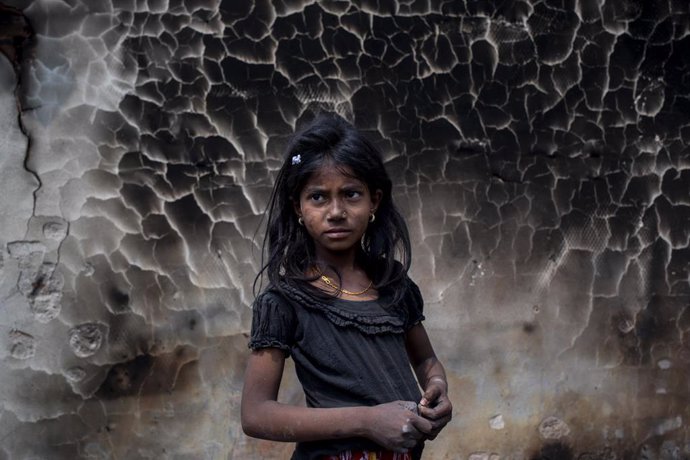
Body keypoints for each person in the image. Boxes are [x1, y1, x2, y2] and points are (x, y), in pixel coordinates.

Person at [241, 114, 452, 460]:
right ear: (298, 207)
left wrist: (437, 388)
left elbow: (426, 358)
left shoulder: (393, 285)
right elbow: (256, 414)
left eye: (351, 194)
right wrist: (367, 421)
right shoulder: (284, 302)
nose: (336, 211)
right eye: (318, 197)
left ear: (374, 201)